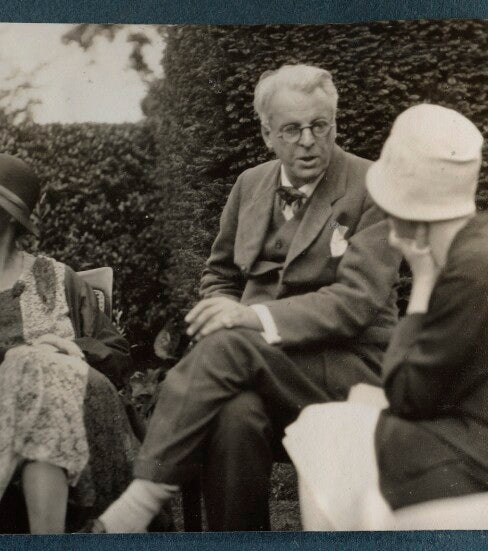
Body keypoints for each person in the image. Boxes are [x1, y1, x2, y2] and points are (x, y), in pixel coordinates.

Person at [95, 64, 401, 532]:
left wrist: (249, 319)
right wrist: (223, 309)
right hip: (254, 366)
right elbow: (219, 274)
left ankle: (141, 501)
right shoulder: (250, 184)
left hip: (344, 367)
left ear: (335, 124)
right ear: (267, 134)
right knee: (235, 417)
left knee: (230, 343)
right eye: (292, 129)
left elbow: (356, 302)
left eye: (320, 126)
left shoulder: (372, 186)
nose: (308, 141)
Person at [282, 104, 488, 529]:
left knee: (322, 432)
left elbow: (406, 395)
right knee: (336, 419)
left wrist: (423, 279)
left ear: (409, 212)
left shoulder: (469, 269)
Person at [0, 153, 141, 533]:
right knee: (33, 384)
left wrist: (62, 353)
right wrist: (20, 358)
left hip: (79, 402)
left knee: (40, 376)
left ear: (10, 215)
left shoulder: (58, 276)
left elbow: (116, 355)